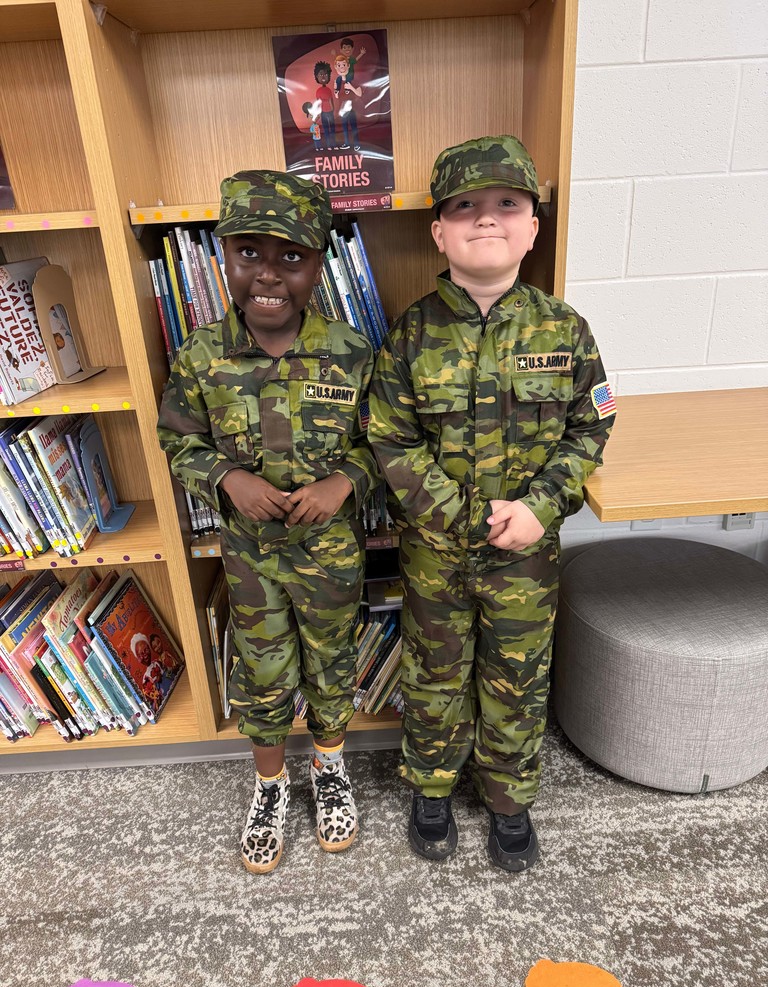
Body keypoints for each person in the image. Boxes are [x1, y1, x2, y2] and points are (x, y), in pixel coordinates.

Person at [367, 135, 616, 873]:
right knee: (436, 670)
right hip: (436, 553)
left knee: (518, 671)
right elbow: (389, 438)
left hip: (527, 556)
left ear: (533, 228)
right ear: (438, 232)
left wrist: (543, 505)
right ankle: (434, 788)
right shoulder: (410, 336)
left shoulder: (564, 330)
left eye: (507, 204)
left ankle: (510, 796)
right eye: (465, 207)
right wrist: (461, 516)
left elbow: (591, 423)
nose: (486, 220)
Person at [157, 170, 377, 874]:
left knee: (331, 662)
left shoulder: (351, 352)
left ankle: (332, 769)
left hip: (329, 554)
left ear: (320, 261)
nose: (269, 276)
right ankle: (271, 784)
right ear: (224, 257)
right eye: (248, 253)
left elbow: (387, 441)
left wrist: (345, 481)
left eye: (292, 256)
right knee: (263, 671)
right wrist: (228, 478)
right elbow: (178, 438)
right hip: (250, 555)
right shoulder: (201, 356)